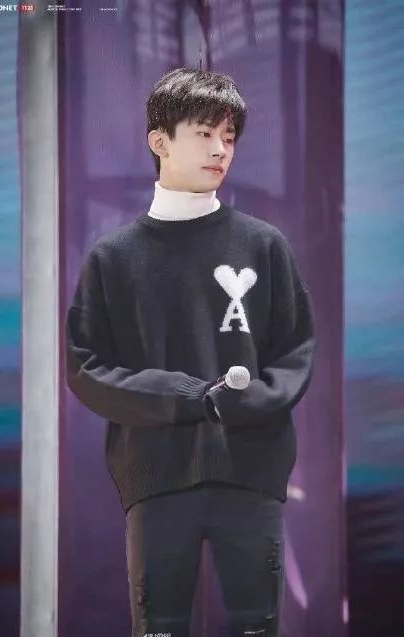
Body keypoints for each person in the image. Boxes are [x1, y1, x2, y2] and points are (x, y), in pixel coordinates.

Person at [65, 67, 316, 637]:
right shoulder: (113, 258)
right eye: (205, 133)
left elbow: (296, 350)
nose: (221, 149)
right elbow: (85, 368)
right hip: (155, 475)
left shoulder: (264, 245)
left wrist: (242, 401)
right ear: (160, 141)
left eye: (229, 136)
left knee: (257, 627)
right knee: (160, 627)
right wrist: (188, 396)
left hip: (251, 472)